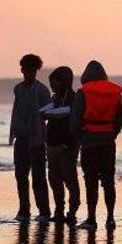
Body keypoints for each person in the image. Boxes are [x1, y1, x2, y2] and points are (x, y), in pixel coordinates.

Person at [70, 60, 122, 230]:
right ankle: (110, 218)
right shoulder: (115, 93)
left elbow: (75, 121)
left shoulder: (82, 93)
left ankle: (91, 218)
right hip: (108, 141)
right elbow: (119, 121)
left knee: (90, 181)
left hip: (89, 141)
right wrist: (111, 134)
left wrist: (80, 138)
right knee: (108, 181)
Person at [10, 53, 52, 222]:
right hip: (21, 138)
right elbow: (16, 113)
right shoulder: (18, 89)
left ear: (36, 70)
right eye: (26, 69)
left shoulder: (42, 90)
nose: (29, 73)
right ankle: (24, 210)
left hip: (37, 139)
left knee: (38, 177)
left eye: (32, 70)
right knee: (21, 176)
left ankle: (44, 211)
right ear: (22, 70)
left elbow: (49, 112)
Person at [40, 65, 79, 224]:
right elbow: (44, 113)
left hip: (67, 146)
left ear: (64, 82)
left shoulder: (74, 98)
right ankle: (59, 211)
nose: (52, 86)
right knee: (54, 180)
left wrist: (68, 144)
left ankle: (72, 211)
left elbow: (74, 121)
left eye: (55, 82)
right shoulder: (54, 99)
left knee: (69, 179)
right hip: (52, 144)